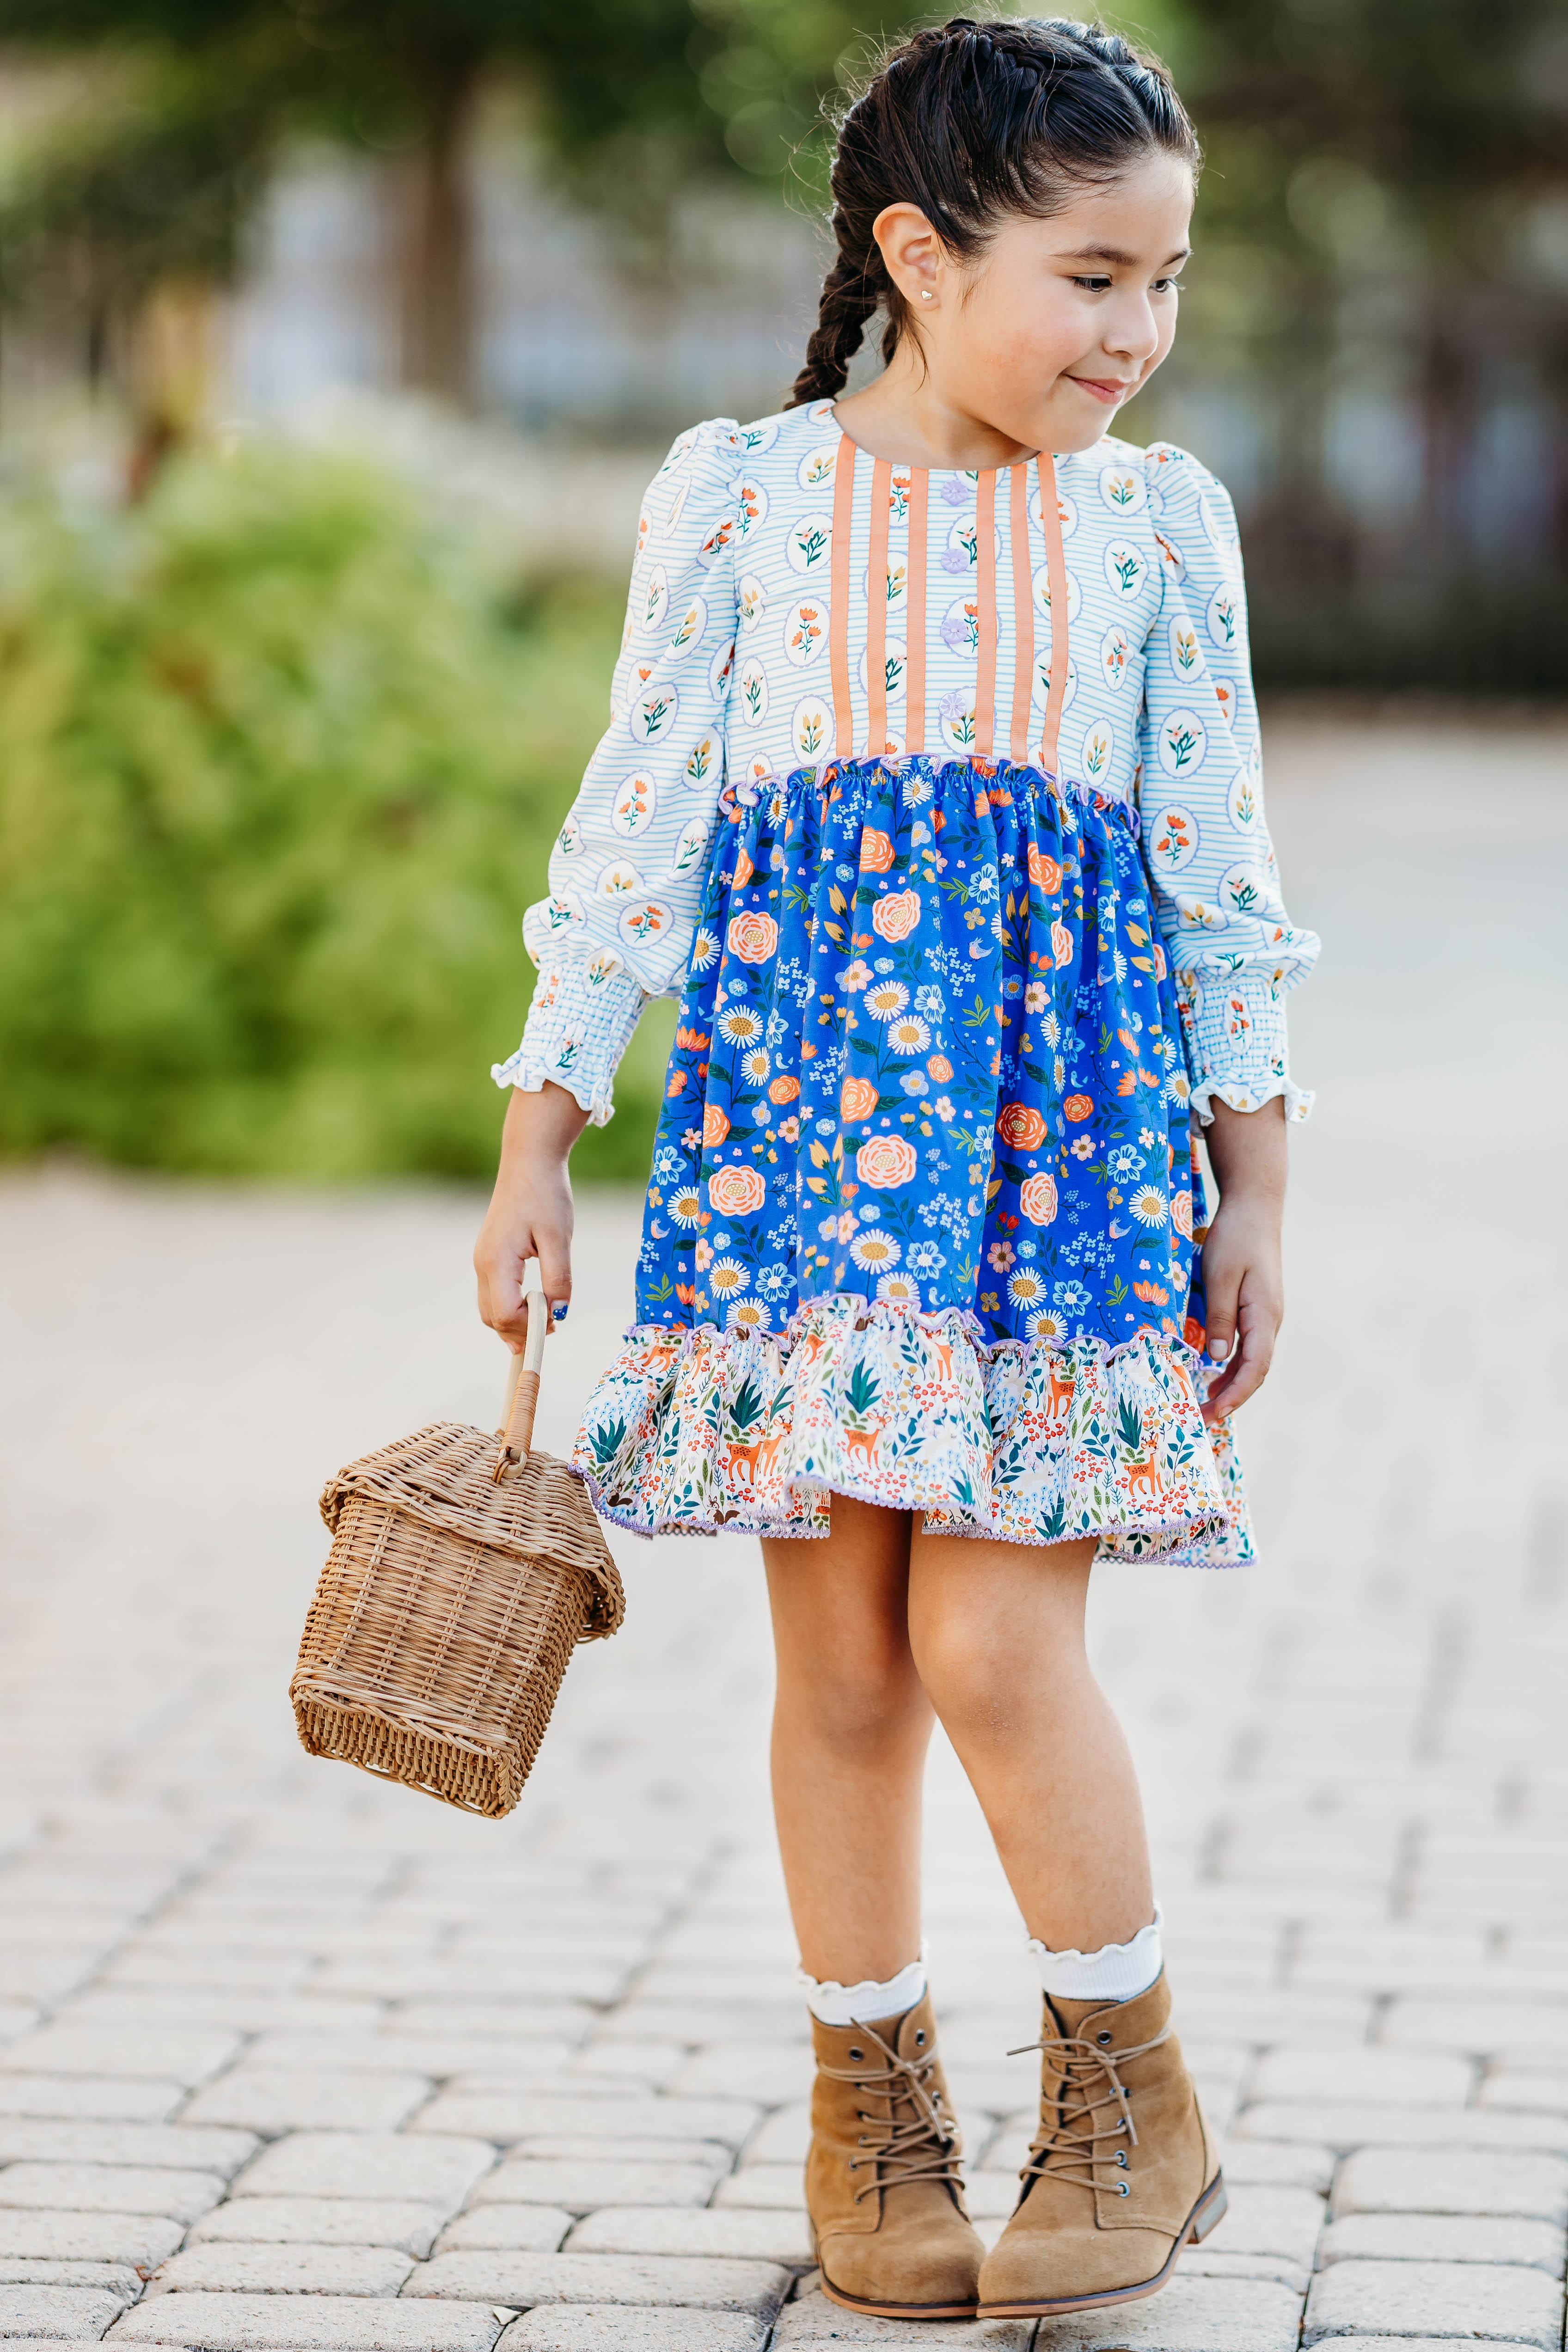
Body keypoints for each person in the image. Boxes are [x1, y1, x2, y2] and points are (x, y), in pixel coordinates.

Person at [475, 14, 1319, 2321]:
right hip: (797, 1156)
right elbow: (633, 829)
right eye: (1087, 276)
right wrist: (541, 1134)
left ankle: (1131, 2094)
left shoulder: (1158, 524)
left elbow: (1213, 865)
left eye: (1163, 282)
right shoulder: (736, 493)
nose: (1133, 333)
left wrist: (1255, 1182)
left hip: (1062, 1154)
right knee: (841, 1656)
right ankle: (871, 2114)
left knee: (985, 1631)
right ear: (916, 256)